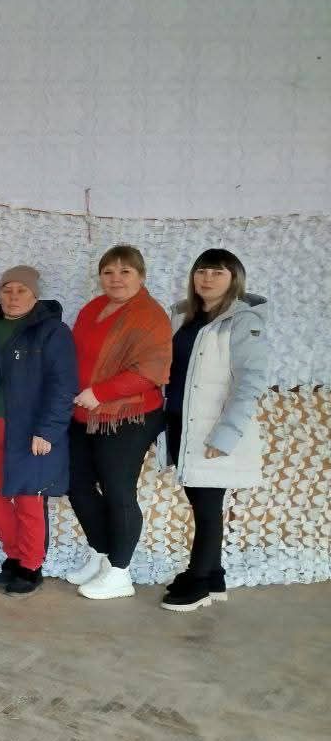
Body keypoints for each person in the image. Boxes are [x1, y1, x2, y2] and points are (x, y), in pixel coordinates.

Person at [161, 249, 268, 612]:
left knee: (207, 506)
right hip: (181, 423)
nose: (207, 279)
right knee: (200, 500)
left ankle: (199, 582)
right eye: (202, 271)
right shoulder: (183, 317)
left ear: (234, 279)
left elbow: (251, 382)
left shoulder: (242, 321)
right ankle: (214, 574)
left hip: (212, 429)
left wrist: (225, 435)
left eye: (217, 273)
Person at [65, 245, 172, 600]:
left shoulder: (150, 315)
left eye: (125, 271)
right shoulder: (93, 308)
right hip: (84, 412)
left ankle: (120, 572)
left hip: (128, 416)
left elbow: (152, 370)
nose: (116, 279)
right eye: (108, 272)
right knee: (77, 485)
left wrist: (101, 392)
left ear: (141, 276)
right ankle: (101, 553)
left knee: (117, 491)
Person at [0, 266, 78, 595]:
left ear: (35, 295)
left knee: (27, 499)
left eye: (21, 290)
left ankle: (31, 565)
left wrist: (47, 430)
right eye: (7, 290)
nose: (13, 297)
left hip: (26, 429)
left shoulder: (52, 332)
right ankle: (15, 553)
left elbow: (63, 385)